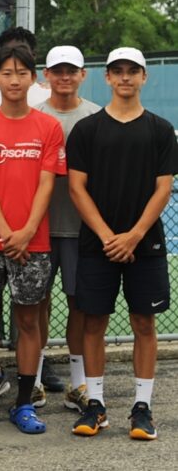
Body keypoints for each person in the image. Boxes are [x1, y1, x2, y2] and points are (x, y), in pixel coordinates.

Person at [68, 47, 177, 440]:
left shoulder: (161, 130)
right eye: (118, 71)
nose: (126, 77)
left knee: (143, 323)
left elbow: (163, 189)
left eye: (133, 71)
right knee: (93, 322)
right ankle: (95, 406)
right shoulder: (87, 130)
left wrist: (132, 235)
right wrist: (107, 236)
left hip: (144, 246)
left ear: (144, 78)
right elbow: (77, 189)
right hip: (98, 244)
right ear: (108, 78)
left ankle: (142, 408)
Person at [0, 44, 65, 436]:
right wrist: (7, 233)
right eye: (7, 72)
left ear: (33, 78)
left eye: (23, 72)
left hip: (32, 243)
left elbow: (46, 184)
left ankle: (24, 402)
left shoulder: (48, 127)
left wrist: (25, 233)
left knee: (27, 321)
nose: (15, 79)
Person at [33, 46, 99, 412]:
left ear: (83, 74)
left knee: (80, 306)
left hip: (80, 230)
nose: (64, 76)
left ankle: (78, 384)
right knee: (36, 306)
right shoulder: (34, 116)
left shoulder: (96, 117)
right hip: (39, 230)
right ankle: (36, 379)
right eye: (57, 70)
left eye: (71, 70)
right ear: (46, 74)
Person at [0, 27, 51, 116]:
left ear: (33, 56)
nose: (15, 55)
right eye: (8, 51)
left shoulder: (47, 97)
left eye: (21, 51)